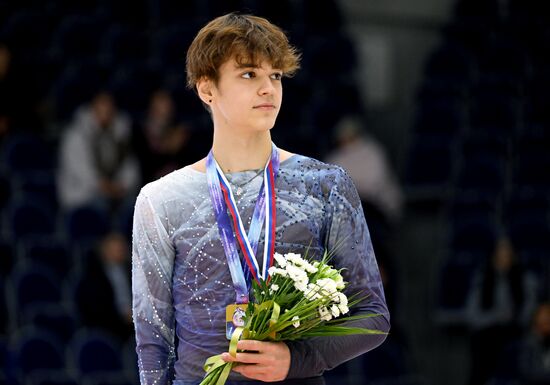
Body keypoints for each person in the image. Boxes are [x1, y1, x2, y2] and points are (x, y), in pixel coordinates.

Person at [132, 13, 390, 385]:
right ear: (207, 88)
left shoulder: (325, 185)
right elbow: (153, 341)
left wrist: (296, 359)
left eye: (276, 75)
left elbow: (372, 315)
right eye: (249, 74)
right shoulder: (161, 199)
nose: (268, 88)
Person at [465, 236, 538, 385]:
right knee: (485, 343)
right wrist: (495, 317)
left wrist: (514, 317)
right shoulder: (481, 280)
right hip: (488, 332)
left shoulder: (526, 281)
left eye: (507, 254)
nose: (503, 259)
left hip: (515, 330)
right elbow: (471, 314)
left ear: (514, 256)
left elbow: (530, 311)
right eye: (499, 254)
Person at [57, 91, 140, 212]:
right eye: (101, 110)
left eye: (109, 111)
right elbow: (84, 175)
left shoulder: (119, 133)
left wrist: (123, 186)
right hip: (80, 197)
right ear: (92, 109)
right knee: (100, 204)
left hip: (114, 194)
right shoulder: (76, 136)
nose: (105, 114)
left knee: (136, 205)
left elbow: (129, 167)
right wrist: (108, 188)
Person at [77, 232, 133, 341]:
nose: (120, 250)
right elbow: (96, 306)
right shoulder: (94, 275)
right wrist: (123, 316)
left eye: (121, 247)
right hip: (109, 323)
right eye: (116, 248)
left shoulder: (131, 271)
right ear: (104, 250)